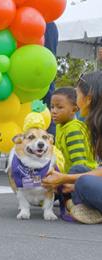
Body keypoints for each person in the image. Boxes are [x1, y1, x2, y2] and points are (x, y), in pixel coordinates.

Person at [42, 71, 102, 224]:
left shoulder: (75, 128)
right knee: (78, 173)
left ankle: (78, 204)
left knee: (83, 183)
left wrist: (66, 179)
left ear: (88, 99)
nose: (76, 101)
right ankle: (82, 206)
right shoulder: (95, 125)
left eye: (77, 95)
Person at [51, 87, 97, 173]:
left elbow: (79, 162)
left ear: (74, 109)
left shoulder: (73, 129)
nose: (54, 111)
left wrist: (66, 180)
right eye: (52, 107)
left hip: (84, 173)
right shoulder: (59, 126)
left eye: (59, 107)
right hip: (68, 172)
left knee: (76, 169)